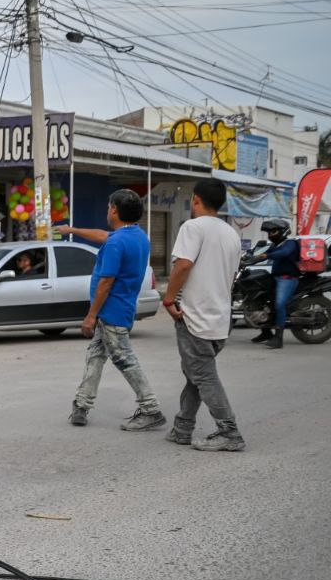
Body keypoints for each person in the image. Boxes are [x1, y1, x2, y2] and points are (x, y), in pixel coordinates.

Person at [57, 190, 165, 431]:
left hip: (111, 312)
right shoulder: (137, 236)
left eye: (108, 207)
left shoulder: (117, 242)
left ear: (114, 209)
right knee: (95, 356)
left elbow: (106, 283)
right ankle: (82, 406)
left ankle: (151, 409)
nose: (107, 210)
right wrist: (72, 231)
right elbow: (103, 236)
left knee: (125, 360)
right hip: (119, 310)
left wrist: (91, 315)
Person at [162, 179, 244, 452]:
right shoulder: (231, 233)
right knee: (196, 375)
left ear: (195, 199)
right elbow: (231, 278)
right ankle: (183, 427)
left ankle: (229, 431)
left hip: (195, 317)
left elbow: (183, 265)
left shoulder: (192, 227)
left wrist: (169, 298)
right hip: (220, 318)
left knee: (204, 376)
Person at [244, 218, 300, 349]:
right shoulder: (275, 245)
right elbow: (264, 254)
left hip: (287, 279)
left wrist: (265, 256)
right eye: (269, 232)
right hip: (275, 278)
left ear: (283, 231)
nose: (270, 235)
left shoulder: (290, 243)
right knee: (261, 299)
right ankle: (266, 332)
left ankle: (278, 338)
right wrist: (248, 259)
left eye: (273, 231)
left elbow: (283, 253)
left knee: (279, 304)